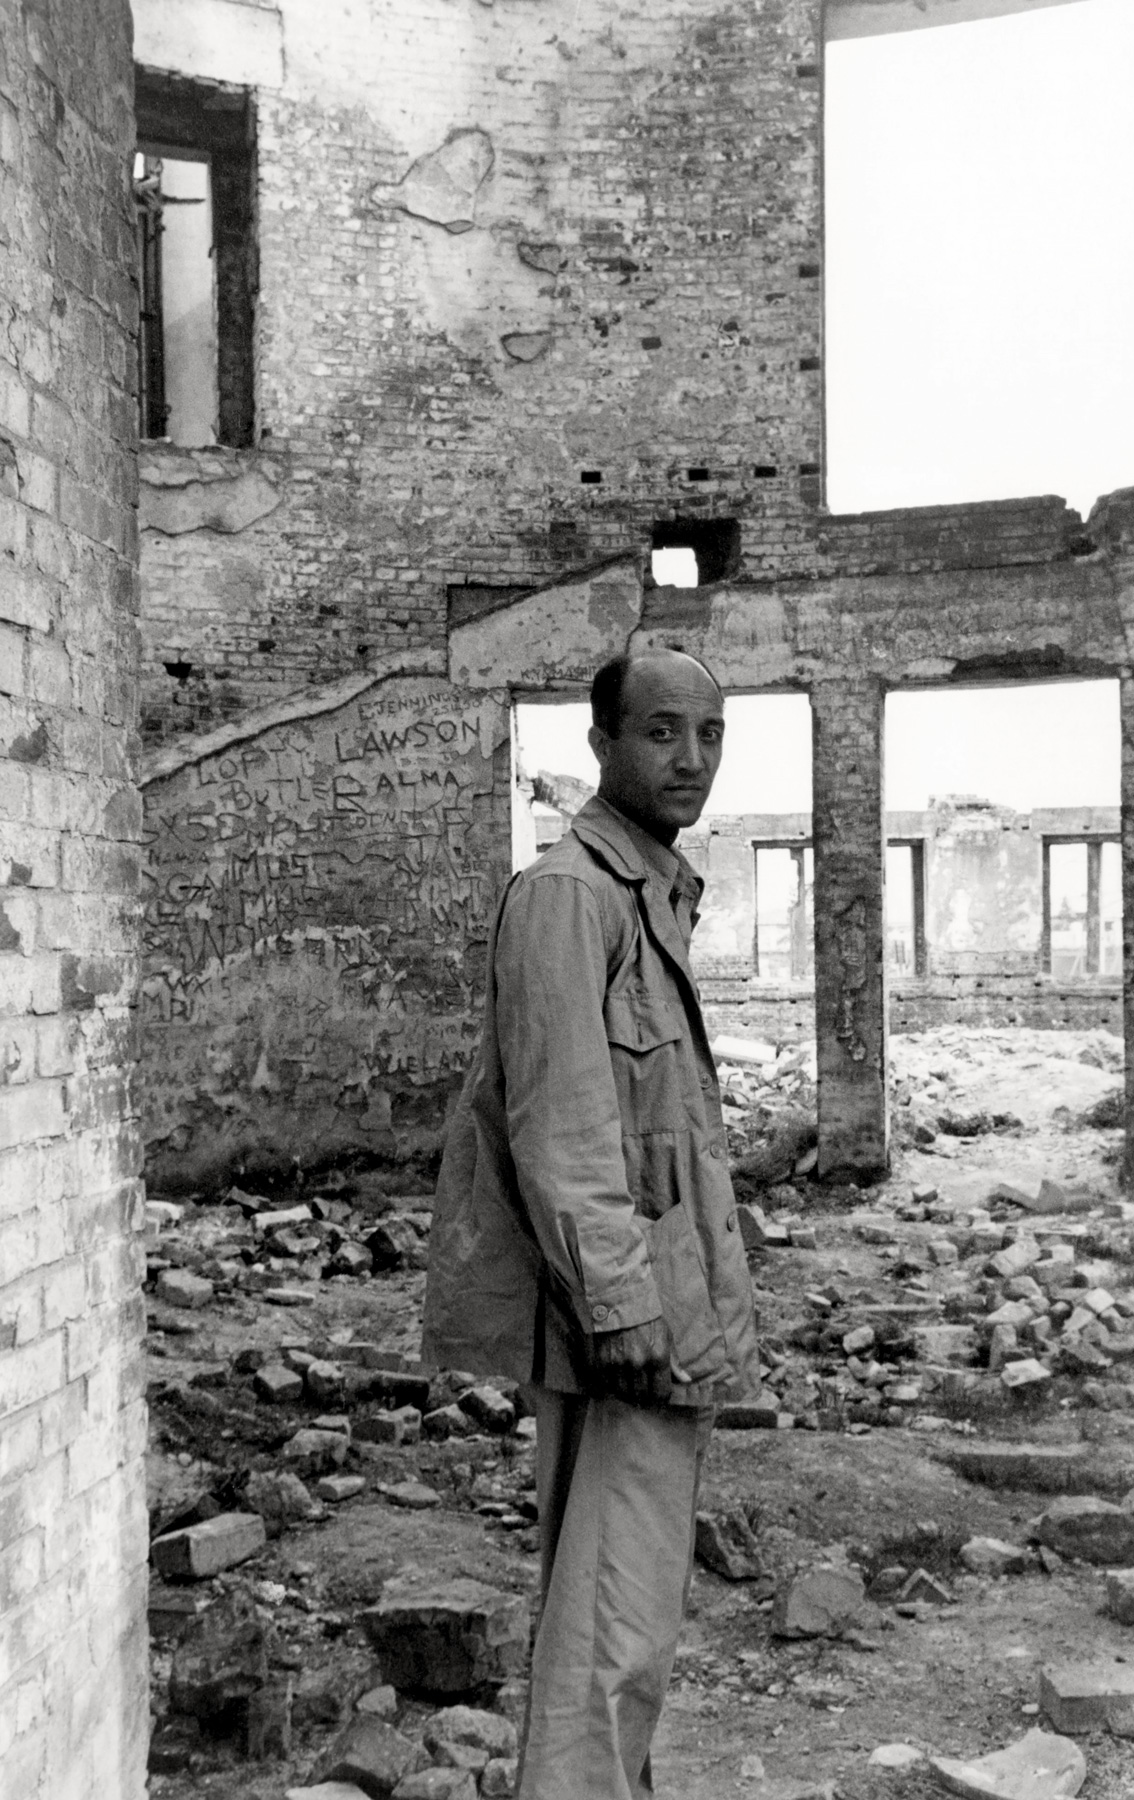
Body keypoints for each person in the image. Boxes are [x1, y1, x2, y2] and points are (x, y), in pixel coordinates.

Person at [423, 646, 759, 1799]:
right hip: (623, 1323)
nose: (692, 759)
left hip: (656, 1307)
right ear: (602, 744)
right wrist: (620, 1306)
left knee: (621, 1619)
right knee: (609, 1635)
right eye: (662, 732)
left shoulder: (647, 889)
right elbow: (561, 1126)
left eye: (710, 735)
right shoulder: (571, 896)